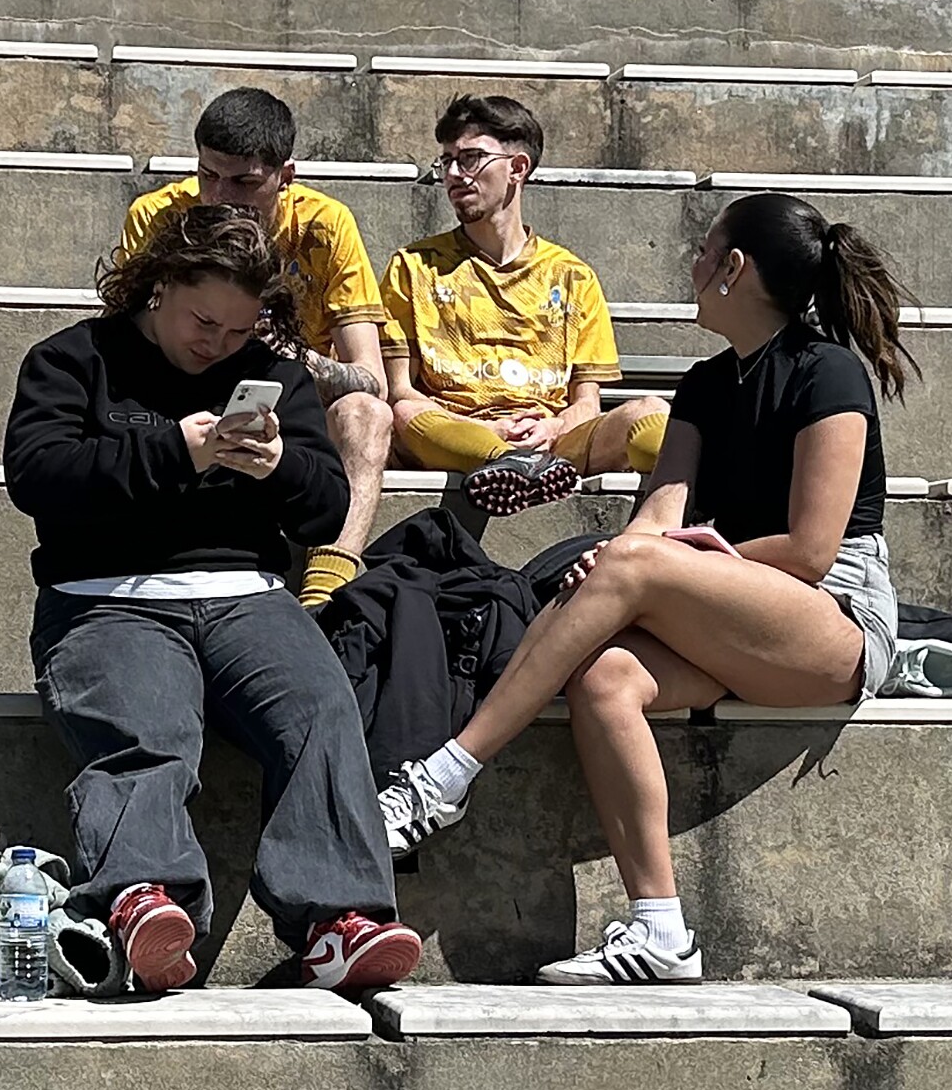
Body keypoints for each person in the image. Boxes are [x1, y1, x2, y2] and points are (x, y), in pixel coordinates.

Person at [378, 193, 917, 984]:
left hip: (833, 617)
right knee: (606, 676)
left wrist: (676, 559)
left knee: (636, 561)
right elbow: (660, 515)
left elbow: (810, 550)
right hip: (728, 616)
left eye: (704, 252)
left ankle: (443, 778)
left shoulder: (826, 372)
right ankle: (660, 930)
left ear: (734, 268)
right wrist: (624, 559)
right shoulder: (704, 386)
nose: (691, 266)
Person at [8, 203, 425, 993]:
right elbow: (39, 478)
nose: (218, 344)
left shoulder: (271, 375)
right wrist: (177, 450)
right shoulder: (72, 360)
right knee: (148, 727)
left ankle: (338, 921)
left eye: (239, 330)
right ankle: (142, 899)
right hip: (106, 594)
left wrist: (280, 468)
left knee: (319, 711)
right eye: (204, 322)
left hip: (247, 595)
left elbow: (325, 512)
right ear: (160, 285)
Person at [120, 89, 390, 609]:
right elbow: (123, 343)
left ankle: (325, 594)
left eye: (244, 183)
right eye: (207, 175)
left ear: (285, 177)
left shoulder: (326, 224)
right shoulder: (158, 216)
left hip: (290, 402)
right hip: (179, 392)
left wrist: (293, 358)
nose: (219, 197)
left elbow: (371, 378)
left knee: (368, 413)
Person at [383, 95, 669, 516]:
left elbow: (586, 402)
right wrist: (485, 430)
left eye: (470, 158)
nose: (454, 174)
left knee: (651, 412)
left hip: (555, 443)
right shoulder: (413, 266)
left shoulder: (573, 276)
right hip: (455, 434)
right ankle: (503, 462)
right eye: (447, 162)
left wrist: (555, 426)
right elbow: (401, 391)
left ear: (517, 168)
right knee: (406, 413)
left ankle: (712, 499)